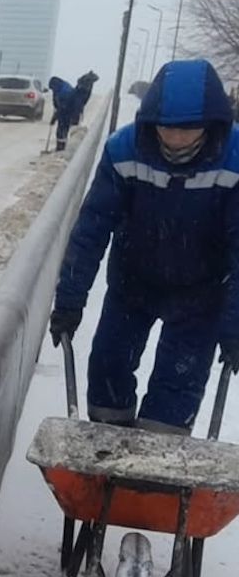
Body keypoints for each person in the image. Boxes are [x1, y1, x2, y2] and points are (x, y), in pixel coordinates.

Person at [49, 59, 239, 435]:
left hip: (202, 295)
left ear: (212, 124)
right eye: (167, 128)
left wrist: (234, 327)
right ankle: (107, 451)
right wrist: (70, 301)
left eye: (188, 131)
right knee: (108, 366)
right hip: (132, 284)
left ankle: (153, 479)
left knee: (176, 388)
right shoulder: (125, 151)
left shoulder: (234, 161)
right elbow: (91, 230)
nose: (176, 139)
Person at [49, 76, 78, 151]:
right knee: (61, 129)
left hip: (68, 112)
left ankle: (61, 147)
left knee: (63, 129)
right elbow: (55, 99)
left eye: (52, 88)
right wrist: (55, 105)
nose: (52, 90)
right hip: (64, 110)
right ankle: (60, 146)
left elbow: (62, 107)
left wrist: (54, 117)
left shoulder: (65, 92)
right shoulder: (59, 87)